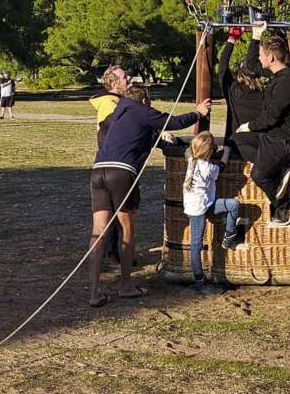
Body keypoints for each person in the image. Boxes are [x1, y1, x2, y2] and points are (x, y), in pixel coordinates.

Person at [87, 84, 210, 307]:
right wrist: (198, 112)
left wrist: (157, 139)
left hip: (98, 172)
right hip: (121, 172)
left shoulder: (116, 113)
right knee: (127, 228)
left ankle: (94, 293)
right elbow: (173, 121)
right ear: (145, 100)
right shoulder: (140, 108)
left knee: (99, 232)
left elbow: (134, 135)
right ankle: (125, 286)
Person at [232, 35, 290, 228]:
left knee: (259, 175)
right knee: (237, 139)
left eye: (261, 55)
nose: (259, 58)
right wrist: (256, 36)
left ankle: (284, 204)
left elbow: (271, 117)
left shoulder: (287, 82)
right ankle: (275, 167)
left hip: (288, 140)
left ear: (271, 58)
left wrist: (250, 125)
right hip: (274, 135)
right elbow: (250, 65)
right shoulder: (278, 75)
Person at [182, 131, 247, 296]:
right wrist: (226, 151)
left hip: (205, 204)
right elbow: (222, 166)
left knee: (233, 204)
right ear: (209, 152)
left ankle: (229, 235)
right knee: (196, 245)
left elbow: (188, 151)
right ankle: (199, 281)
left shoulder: (191, 160)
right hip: (198, 210)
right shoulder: (207, 167)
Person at [89, 64, 131, 264]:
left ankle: (113, 252)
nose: (128, 78)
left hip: (111, 163)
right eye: (124, 77)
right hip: (114, 163)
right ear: (113, 83)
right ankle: (115, 253)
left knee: (114, 213)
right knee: (116, 213)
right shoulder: (110, 104)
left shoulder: (117, 101)